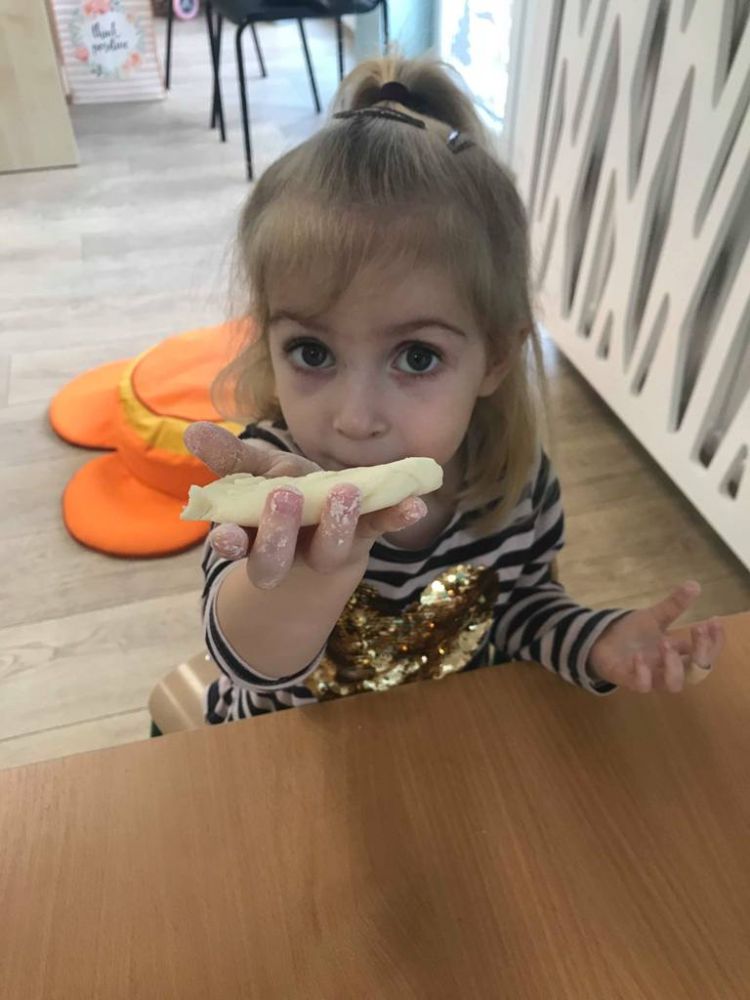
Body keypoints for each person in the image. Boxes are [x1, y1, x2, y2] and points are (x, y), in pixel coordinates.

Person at [185, 57, 723, 724]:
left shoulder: (512, 486)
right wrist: (298, 579)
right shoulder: (272, 486)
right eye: (313, 352)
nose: (355, 419)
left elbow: (519, 609)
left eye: (417, 357)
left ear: (495, 358)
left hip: (453, 739)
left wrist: (595, 643)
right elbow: (246, 660)